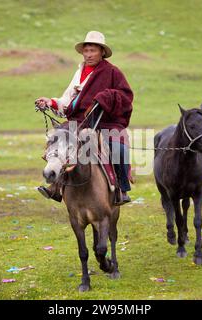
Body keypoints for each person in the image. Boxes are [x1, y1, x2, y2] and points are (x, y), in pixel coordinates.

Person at [35, 31, 134, 205]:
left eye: (93, 50)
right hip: (79, 121)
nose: (88, 54)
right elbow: (68, 100)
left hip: (106, 121)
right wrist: (49, 102)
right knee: (59, 140)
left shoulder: (112, 72)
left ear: (102, 51)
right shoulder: (79, 72)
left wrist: (107, 96)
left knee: (118, 146)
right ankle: (55, 187)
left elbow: (126, 96)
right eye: (86, 50)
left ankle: (122, 189)